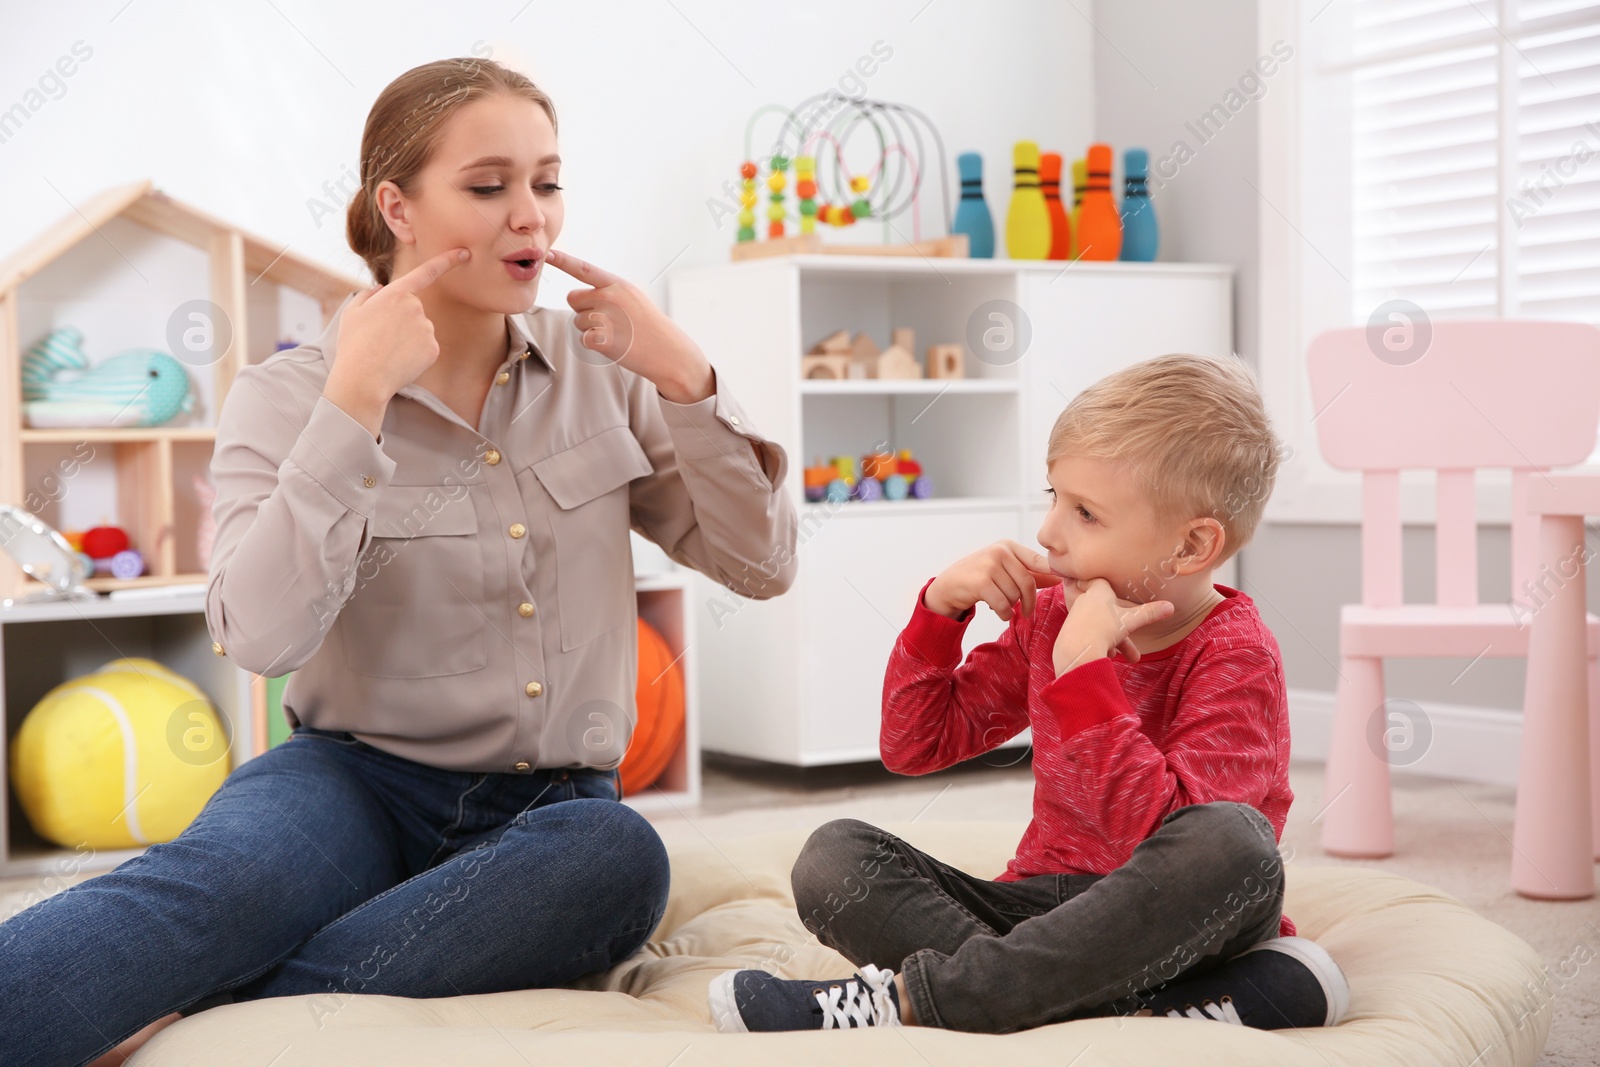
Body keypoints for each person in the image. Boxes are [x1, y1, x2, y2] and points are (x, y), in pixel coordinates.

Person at [0, 57, 796, 1067]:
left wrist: (691, 378)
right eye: (488, 185)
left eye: (547, 182)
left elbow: (761, 564)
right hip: (351, 781)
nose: (532, 218)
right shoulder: (288, 395)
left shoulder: (612, 370)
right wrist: (354, 406)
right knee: (213, 885)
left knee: (615, 860)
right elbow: (259, 635)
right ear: (397, 206)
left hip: (555, 809)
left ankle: (204, 1014)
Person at [709, 353, 1349, 1034]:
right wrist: (938, 611)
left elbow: (1164, 840)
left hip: (1182, 924)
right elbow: (915, 743)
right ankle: (1133, 1006)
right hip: (1041, 909)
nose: (1047, 532)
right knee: (834, 859)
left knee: (1235, 842)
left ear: (1192, 546)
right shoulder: (1050, 618)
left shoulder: (1235, 653)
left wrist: (1084, 676)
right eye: (1053, 496)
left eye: (1086, 513)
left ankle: (914, 1000)